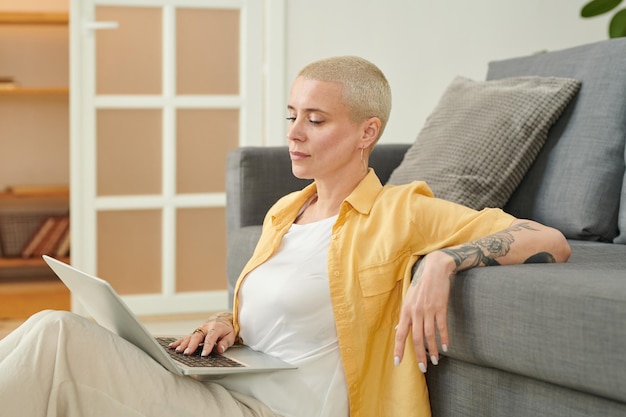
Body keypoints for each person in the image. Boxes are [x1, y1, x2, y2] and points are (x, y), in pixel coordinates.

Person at [0, 56, 570, 417]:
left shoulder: (402, 211)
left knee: (56, 337)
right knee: (50, 343)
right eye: (292, 114)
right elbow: (278, 309)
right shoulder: (284, 212)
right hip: (226, 388)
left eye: (316, 120)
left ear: (366, 132)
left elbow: (547, 238)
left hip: (274, 411)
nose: (294, 134)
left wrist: (443, 262)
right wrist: (224, 323)